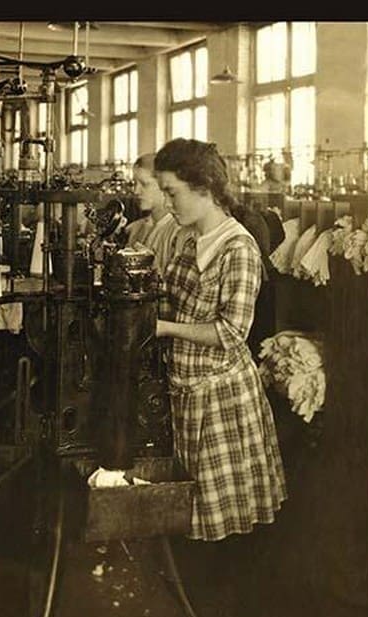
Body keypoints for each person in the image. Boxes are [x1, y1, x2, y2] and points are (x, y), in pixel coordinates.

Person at [154, 138, 287, 542]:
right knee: (190, 509)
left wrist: (161, 328)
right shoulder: (190, 238)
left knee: (222, 522)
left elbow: (231, 332)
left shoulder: (237, 248)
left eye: (172, 193)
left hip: (221, 400)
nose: (167, 203)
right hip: (187, 388)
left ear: (205, 190)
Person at [125, 153, 182, 278]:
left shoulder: (178, 232)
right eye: (134, 184)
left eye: (144, 184)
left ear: (165, 186)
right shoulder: (136, 229)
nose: (136, 191)